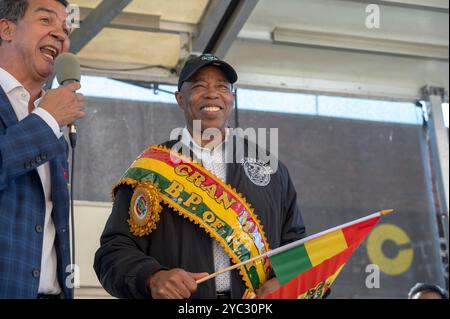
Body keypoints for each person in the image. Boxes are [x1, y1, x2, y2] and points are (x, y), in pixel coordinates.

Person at [94, 54, 306, 299]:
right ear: (180, 98)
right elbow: (113, 253)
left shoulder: (270, 169)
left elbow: (298, 247)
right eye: (199, 86)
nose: (212, 94)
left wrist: (286, 280)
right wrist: (152, 276)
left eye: (221, 87)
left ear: (232, 99)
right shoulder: (150, 170)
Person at [0, 0, 85, 299]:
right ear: (6, 29)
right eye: (46, 20)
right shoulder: (48, 119)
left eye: (65, 28)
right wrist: (47, 119)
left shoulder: (51, 122)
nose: (61, 35)